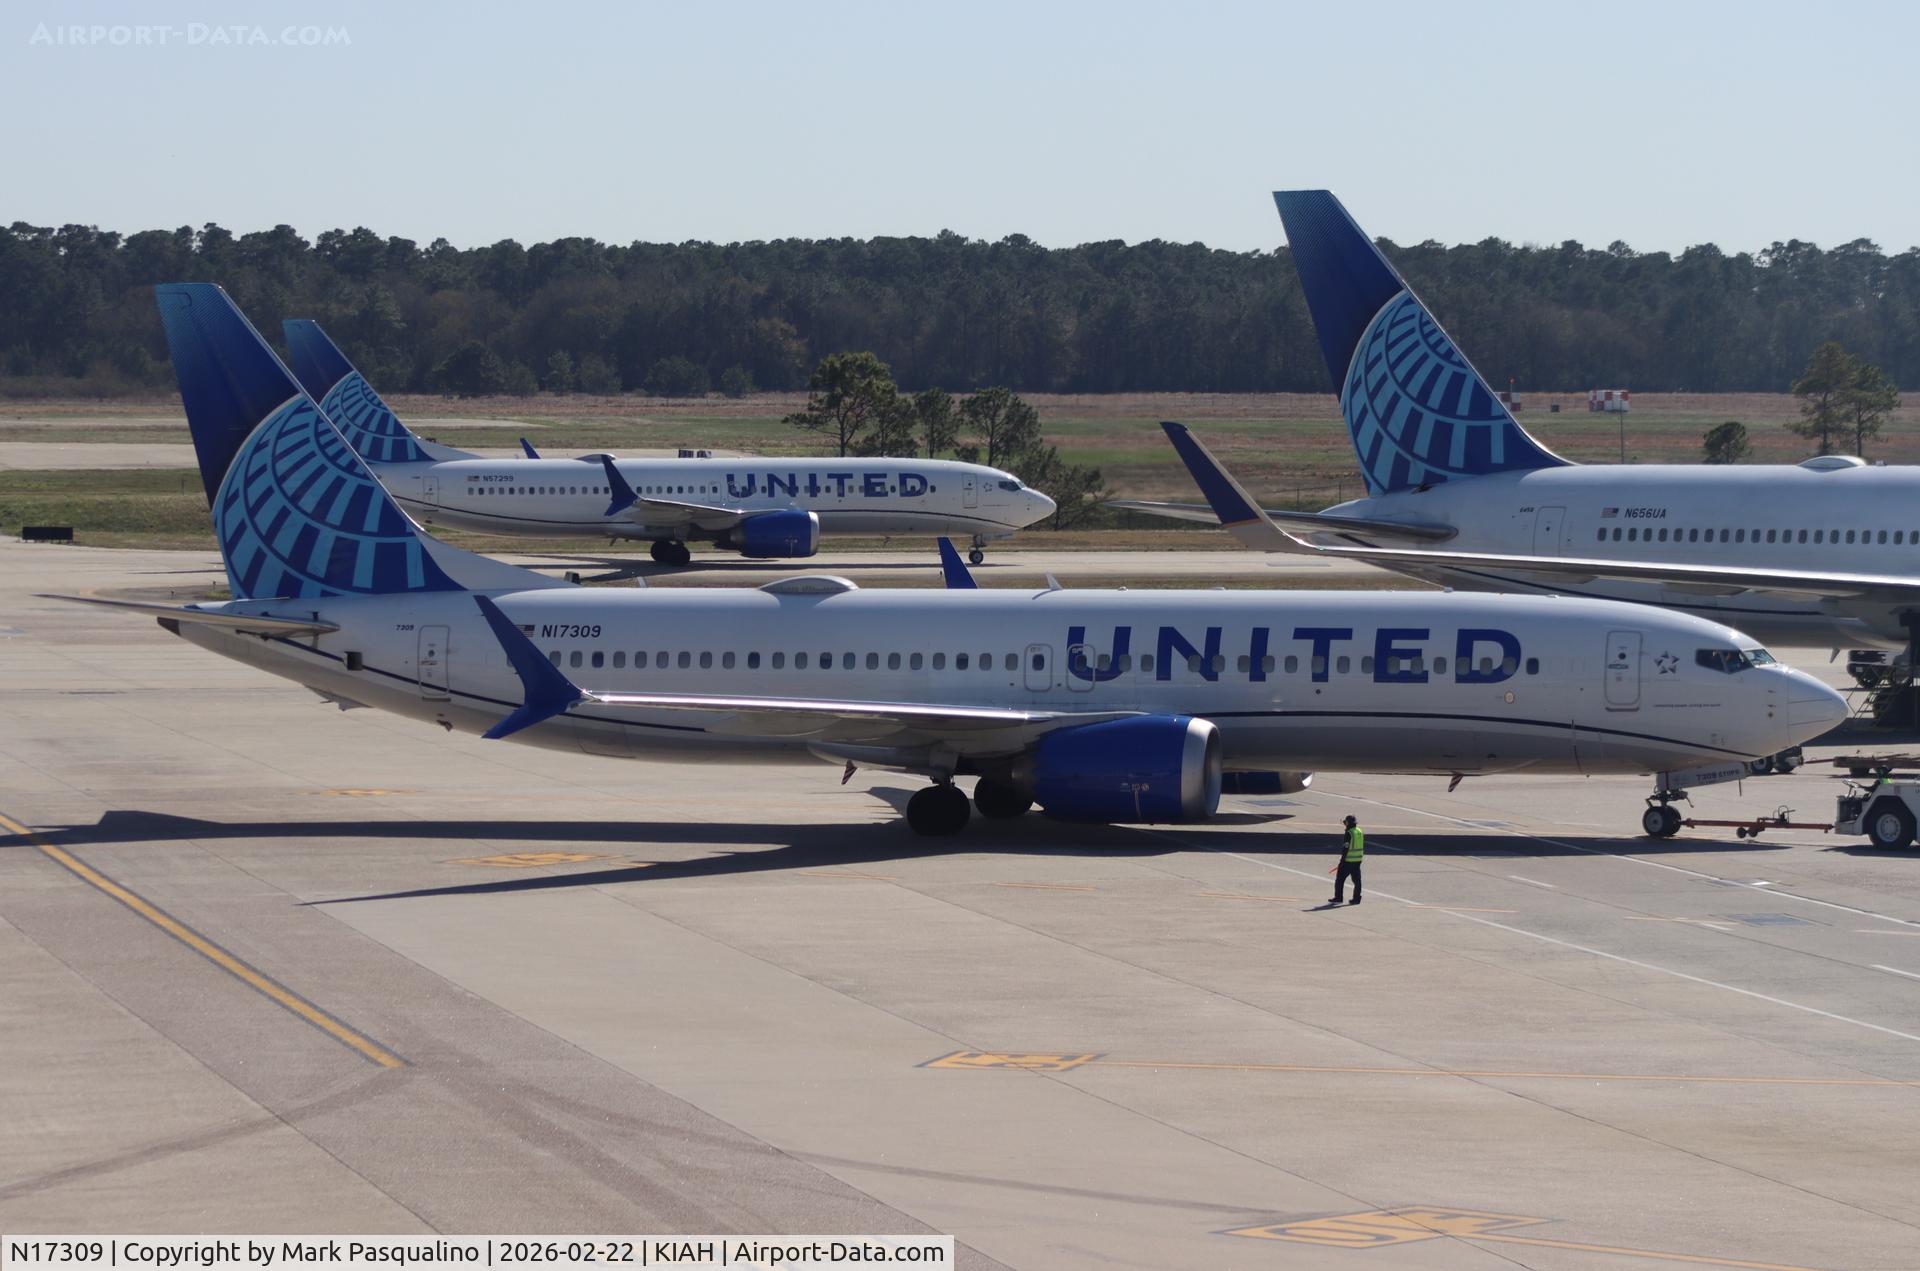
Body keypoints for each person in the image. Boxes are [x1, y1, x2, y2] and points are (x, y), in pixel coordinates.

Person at [1332, 814, 1363, 905]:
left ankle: (1338, 897)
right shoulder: (1359, 831)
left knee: (1340, 879)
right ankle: (1356, 898)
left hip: (1348, 860)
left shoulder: (1349, 833)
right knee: (1357, 881)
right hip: (1358, 860)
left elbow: (1346, 847)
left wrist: (1342, 861)